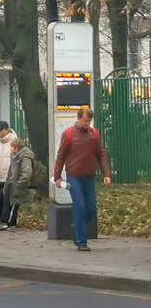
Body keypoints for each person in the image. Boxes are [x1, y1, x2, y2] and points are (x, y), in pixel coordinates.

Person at [52, 106, 112, 251]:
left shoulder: (94, 134)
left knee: (91, 209)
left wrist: (106, 174)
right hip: (74, 177)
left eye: (89, 121)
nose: (88, 123)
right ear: (78, 119)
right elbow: (61, 156)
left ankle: (77, 225)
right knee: (80, 206)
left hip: (89, 176)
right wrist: (57, 176)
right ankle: (81, 242)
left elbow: (101, 154)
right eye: (85, 120)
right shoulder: (69, 134)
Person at [4, 136, 37, 228]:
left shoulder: (25, 157)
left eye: (12, 147)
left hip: (18, 185)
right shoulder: (16, 157)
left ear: (17, 148)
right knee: (9, 203)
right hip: (13, 184)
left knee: (15, 204)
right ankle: (6, 221)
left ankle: (11, 222)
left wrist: (18, 185)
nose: (10, 149)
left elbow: (26, 173)